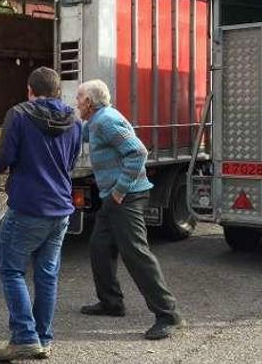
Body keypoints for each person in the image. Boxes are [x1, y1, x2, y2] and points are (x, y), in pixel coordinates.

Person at [76, 79, 184, 341]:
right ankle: (111, 303)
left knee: (135, 253)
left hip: (127, 197)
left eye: (78, 100)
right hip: (113, 199)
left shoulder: (105, 120)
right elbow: (80, 134)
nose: (76, 104)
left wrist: (119, 190)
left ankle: (169, 315)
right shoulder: (96, 121)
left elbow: (138, 152)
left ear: (89, 103)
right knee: (100, 247)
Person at [0, 67, 83, 362]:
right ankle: (43, 338)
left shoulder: (19, 114)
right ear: (57, 91)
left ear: (30, 90)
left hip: (28, 206)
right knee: (46, 274)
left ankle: (25, 338)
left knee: (11, 269)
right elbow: (72, 161)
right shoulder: (75, 120)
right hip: (60, 208)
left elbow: (4, 159)